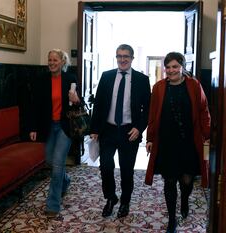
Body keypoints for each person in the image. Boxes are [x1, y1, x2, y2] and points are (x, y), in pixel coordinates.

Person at [144, 52, 210, 233]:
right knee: (170, 181)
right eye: (168, 67)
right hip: (166, 142)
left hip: (189, 141)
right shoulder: (158, 87)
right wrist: (150, 138)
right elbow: (152, 114)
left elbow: (204, 110)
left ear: (182, 67)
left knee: (187, 180)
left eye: (175, 66)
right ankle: (172, 219)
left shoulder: (194, 85)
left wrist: (207, 134)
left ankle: (185, 200)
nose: (171, 70)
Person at [90, 44, 151, 218]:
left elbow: (147, 108)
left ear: (132, 58)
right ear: (116, 58)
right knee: (106, 166)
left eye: (126, 56)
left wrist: (139, 128)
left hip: (129, 132)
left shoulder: (141, 79)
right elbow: (99, 104)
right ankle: (110, 198)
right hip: (108, 130)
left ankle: (125, 202)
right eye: (119, 56)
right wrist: (94, 129)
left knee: (126, 170)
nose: (122, 59)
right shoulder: (107, 76)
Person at [27, 49, 80, 217]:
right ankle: (66, 180)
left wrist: (76, 99)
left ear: (62, 62)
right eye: (49, 60)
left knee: (57, 165)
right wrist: (33, 127)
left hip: (65, 126)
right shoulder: (41, 80)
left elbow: (79, 104)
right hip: (48, 126)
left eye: (55, 60)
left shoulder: (70, 79)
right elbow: (34, 105)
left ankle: (52, 205)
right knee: (50, 160)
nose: (51, 63)